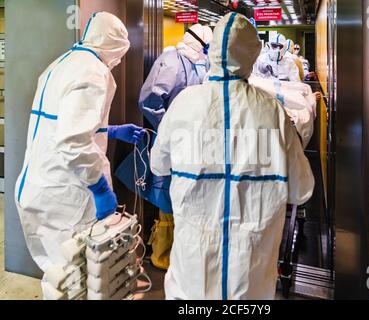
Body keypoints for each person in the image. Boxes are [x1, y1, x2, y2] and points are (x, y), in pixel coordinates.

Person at [151, 12, 315, 300]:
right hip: (250, 271)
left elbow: (158, 164)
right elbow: (302, 190)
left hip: (192, 270)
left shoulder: (184, 104)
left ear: (211, 53)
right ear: (253, 55)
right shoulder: (271, 111)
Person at [14, 12, 144, 299]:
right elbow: (72, 141)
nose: (119, 61)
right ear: (112, 46)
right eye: (120, 53)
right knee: (74, 281)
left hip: (39, 185)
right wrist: (99, 187)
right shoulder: (94, 73)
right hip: (65, 196)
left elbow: (64, 123)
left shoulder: (60, 65)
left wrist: (109, 131)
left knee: (58, 278)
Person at [137, 23, 213, 271]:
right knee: (166, 196)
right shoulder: (172, 59)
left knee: (186, 195)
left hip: (193, 141)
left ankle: (182, 254)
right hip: (173, 140)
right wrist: (171, 127)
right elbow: (150, 101)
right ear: (199, 45)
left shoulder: (197, 62)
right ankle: (162, 255)